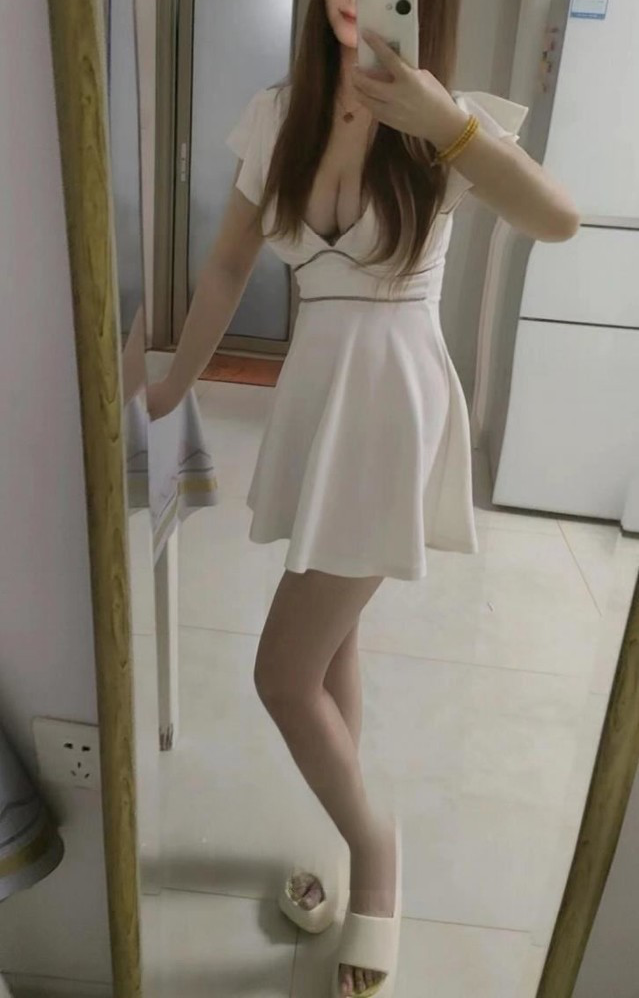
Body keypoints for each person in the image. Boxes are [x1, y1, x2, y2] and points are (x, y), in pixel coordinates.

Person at [147, 1, 580, 994]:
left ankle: (378, 856)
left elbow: (557, 220)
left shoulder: (445, 117)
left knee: (282, 672)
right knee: (332, 637)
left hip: (393, 411)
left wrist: (449, 127)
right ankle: (353, 841)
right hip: (320, 401)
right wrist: (168, 391)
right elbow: (227, 265)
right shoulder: (278, 115)